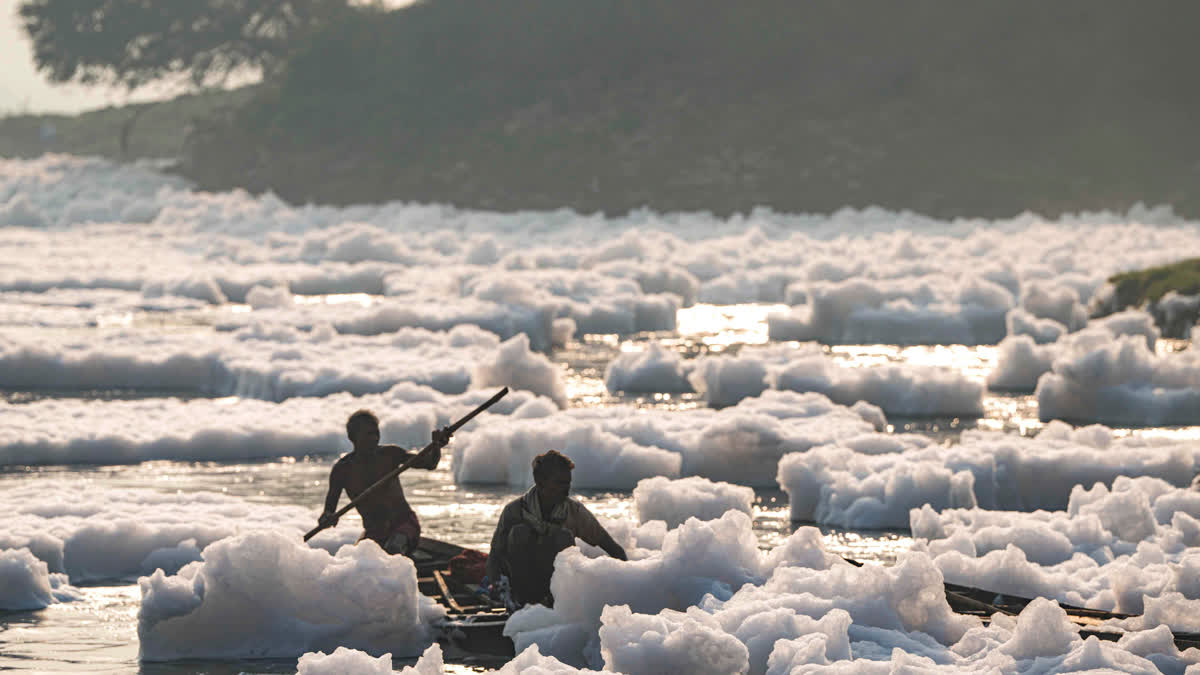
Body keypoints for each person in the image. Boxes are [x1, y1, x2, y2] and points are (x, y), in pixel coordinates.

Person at [485, 450, 627, 607]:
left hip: (555, 593)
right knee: (520, 533)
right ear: (540, 481)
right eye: (560, 483)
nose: (566, 489)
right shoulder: (514, 511)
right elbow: (495, 555)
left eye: (568, 483)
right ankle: (522, 603)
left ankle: (554, 603)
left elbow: (613, 548)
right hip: (519, 588)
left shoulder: (575, 512)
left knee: (563, 537)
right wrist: (496, 586)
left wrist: (628, 584)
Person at [318, 409, 450, 556]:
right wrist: (327, 518)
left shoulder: (390, 454)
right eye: (369, 434)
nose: (375, 438)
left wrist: (437, 446)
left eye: (376, 433)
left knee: (394, 547)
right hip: (375, 533)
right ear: (353, 437)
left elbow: (429, 463)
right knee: (355, 563)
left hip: (404, 525)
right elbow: (329, 511)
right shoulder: (342, 470)